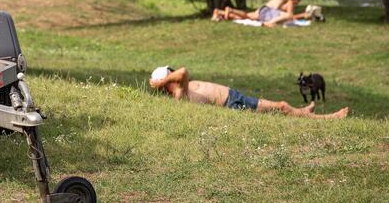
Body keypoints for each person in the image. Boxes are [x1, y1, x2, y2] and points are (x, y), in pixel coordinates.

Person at [149, 66, 349, 119]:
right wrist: (159, 84)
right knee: (280, 108)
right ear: (167, 80)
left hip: (234, 97)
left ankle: (304, 113)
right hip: (232, 104)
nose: (174, 73)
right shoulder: (179, 95)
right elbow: (183, 72)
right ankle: (329, 118)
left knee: (281, 107)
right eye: (170, 73)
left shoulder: (183, 87)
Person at [211, 0, 311, 27]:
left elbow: (282, 11)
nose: (299, 2)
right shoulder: (289, 1)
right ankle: (230, 10)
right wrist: (303, 15)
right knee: (246, 16)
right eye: (299, 0)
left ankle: (221, 13)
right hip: (266, 11)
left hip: (264, 9)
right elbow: (290, 15)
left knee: (246, 17)